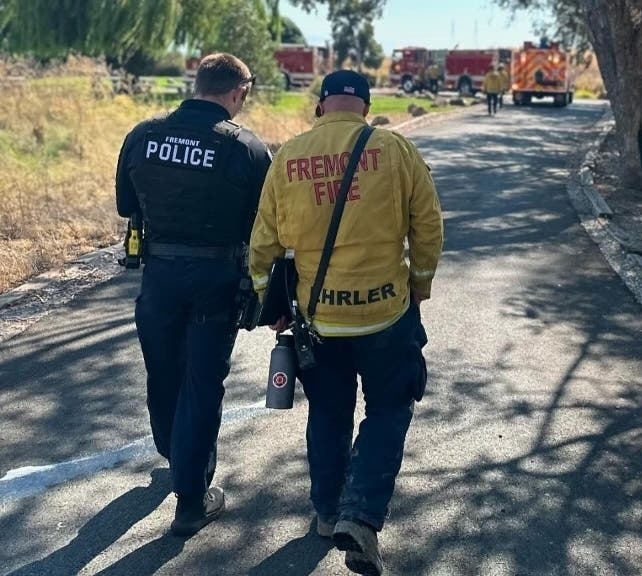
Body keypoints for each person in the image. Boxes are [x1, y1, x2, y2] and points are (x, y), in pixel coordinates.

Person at [249, 69, 443, 576]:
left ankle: (327, 510)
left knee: (328, 414)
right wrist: (419, 284)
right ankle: (361, 516)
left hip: (318, 322)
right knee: (388, 409)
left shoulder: (290, 157)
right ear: (366, 107)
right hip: (386, 316)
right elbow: (428, 222)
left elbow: (263, 242)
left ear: (320, 107)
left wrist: (266, 304)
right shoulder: (395, 150)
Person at [115, 53, 272, 537]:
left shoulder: (143, 135)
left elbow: (126, 205)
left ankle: (173, 452)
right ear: (238, 92)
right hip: (216, 280)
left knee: (163, 371)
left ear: (196, 83)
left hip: (158, 274)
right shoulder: (246, 147)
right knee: (203, 382)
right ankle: (190, 498)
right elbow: (265, 223)